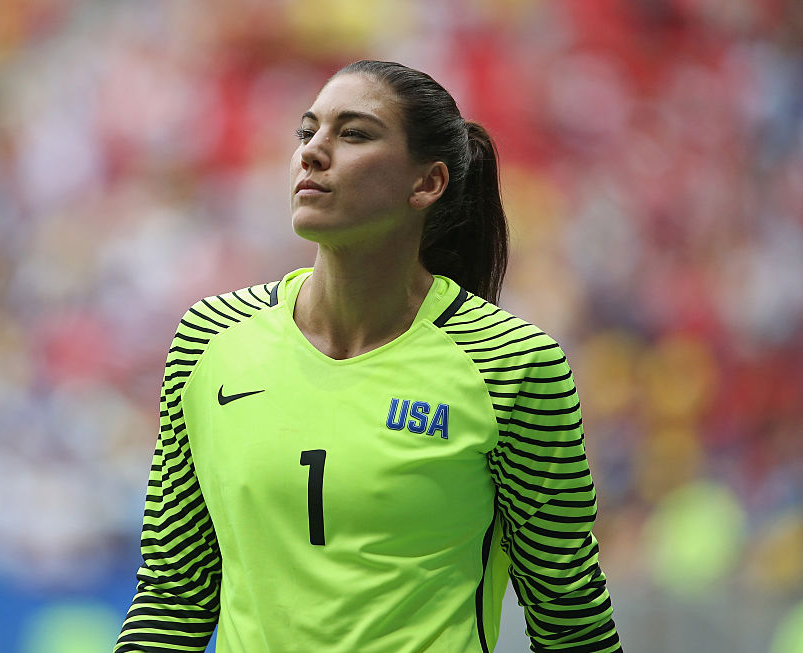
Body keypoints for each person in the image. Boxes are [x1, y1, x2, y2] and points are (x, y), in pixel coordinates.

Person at [115, 60, 622, 653]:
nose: (313, 152)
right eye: (307, 132)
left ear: (426, 184)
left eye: (353, 134)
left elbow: (568, 610)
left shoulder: (511, 363)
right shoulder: (210, 337)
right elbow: (174, 592)